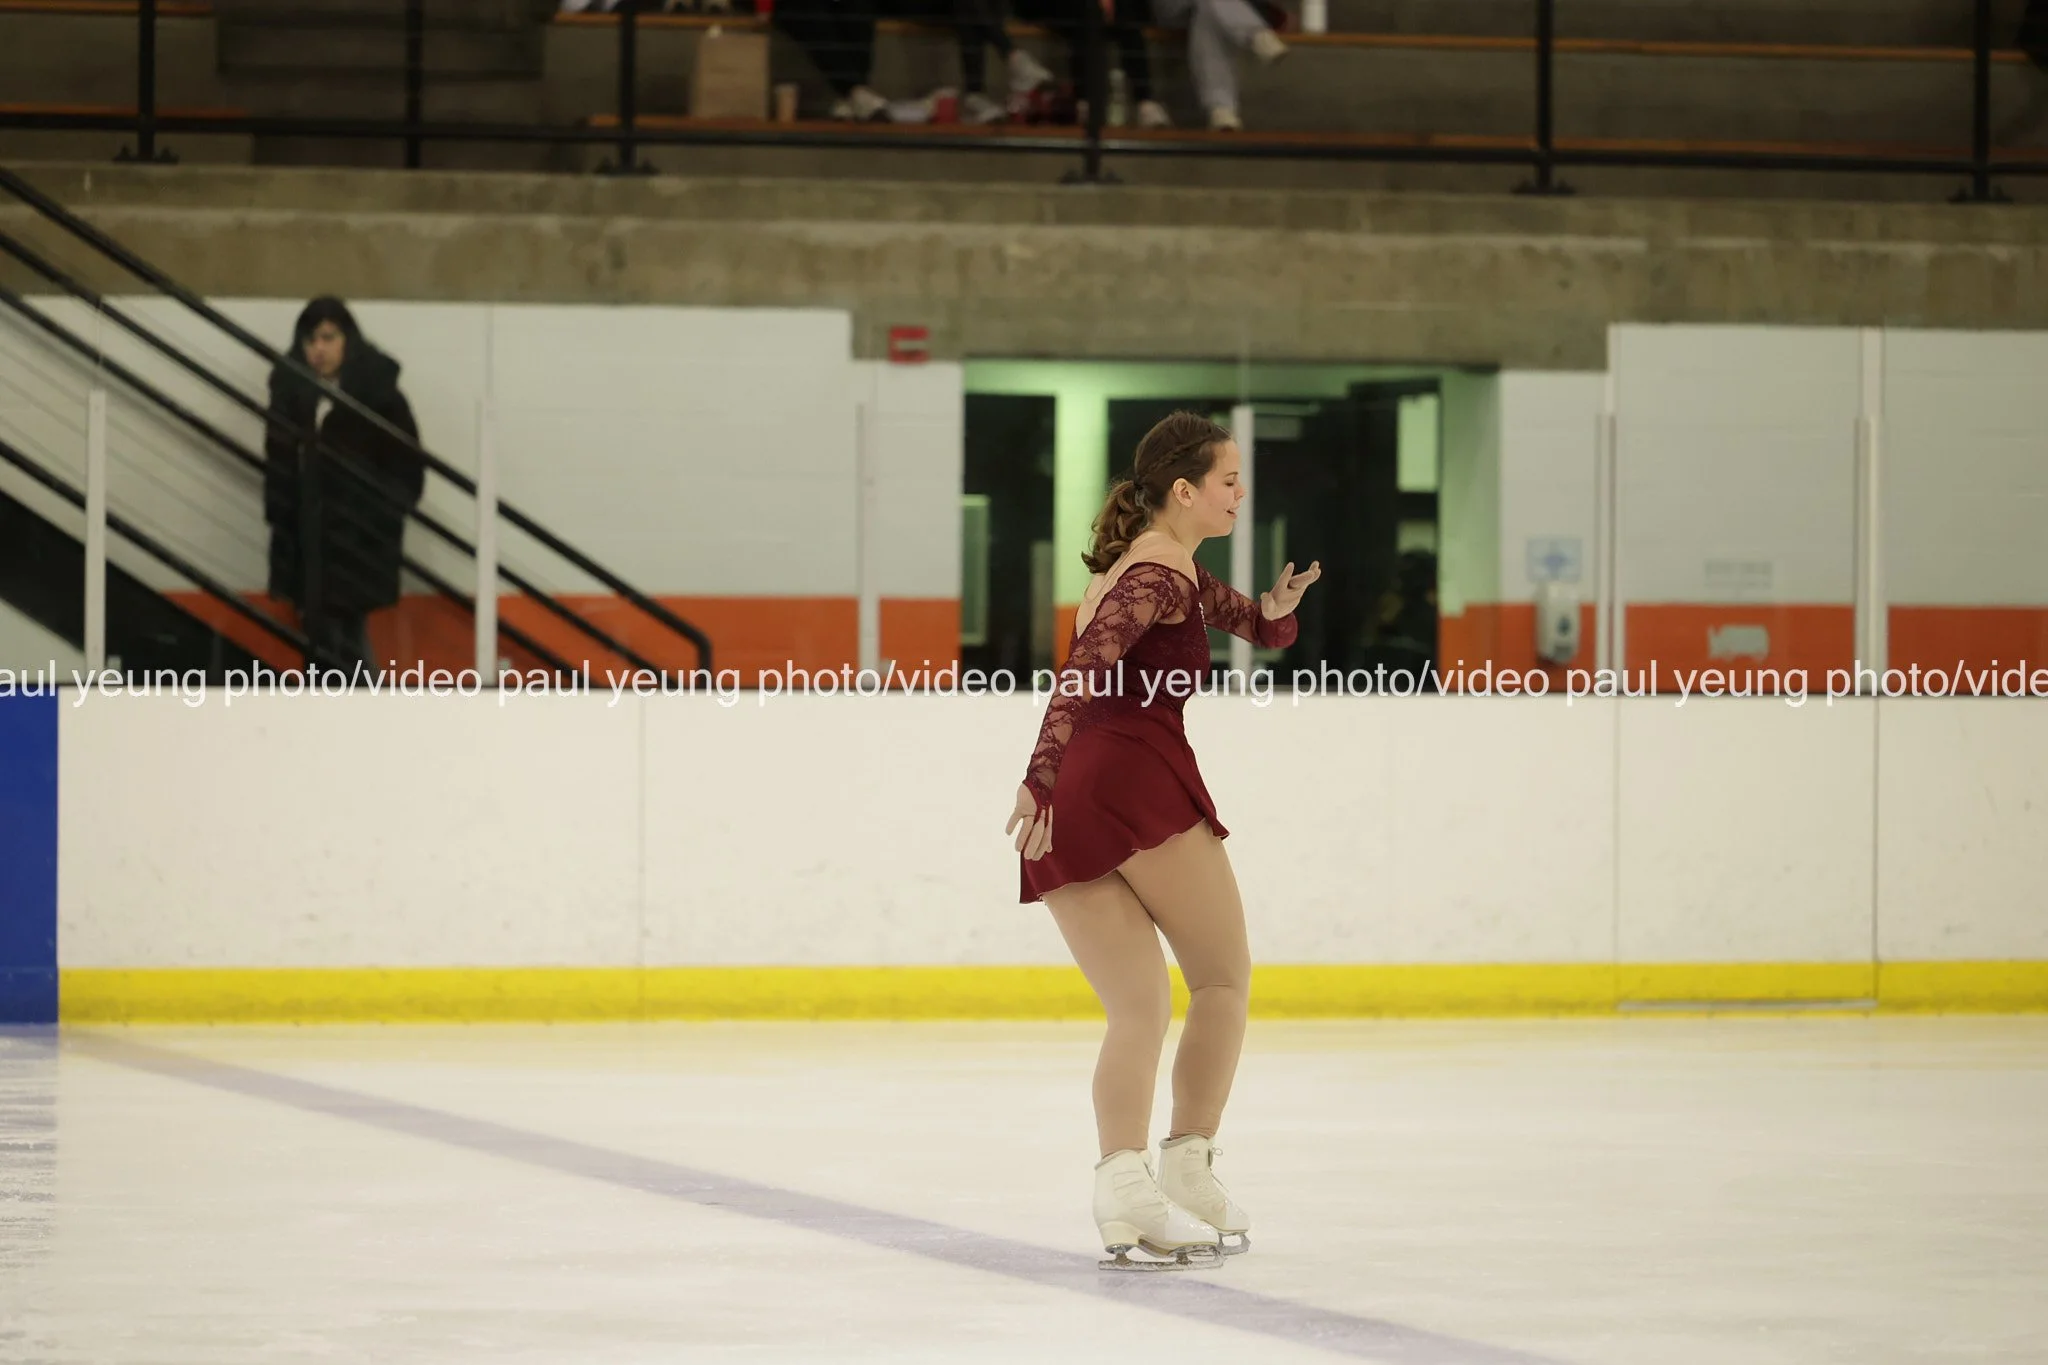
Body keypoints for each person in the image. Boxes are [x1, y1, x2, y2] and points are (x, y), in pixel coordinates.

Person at [1005, 411, 1319, 1269]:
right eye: (1229, 481)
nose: (1240, 495)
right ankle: (1186, 1160)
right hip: (1131, 781)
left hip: (1076, 798)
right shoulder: (1156, 573)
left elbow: (1253, 622)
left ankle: (1123, 1190)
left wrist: (1279, 612)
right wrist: (1036, 773)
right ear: (1184, 489)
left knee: (1139, 1008)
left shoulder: (1159, 565)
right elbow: (1082, 671)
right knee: (1222, 978)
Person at [262, 298, 425, 678]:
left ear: (347, 341)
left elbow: (407, 470)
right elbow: (279, 469)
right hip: (308, 542)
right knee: (326, 640)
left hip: (356, 543)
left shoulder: (380, 397)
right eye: (310, 340)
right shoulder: (291, 396)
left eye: (328, 338)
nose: (318, 349)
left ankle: (352, 706)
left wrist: (375, 519)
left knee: (341, 638)